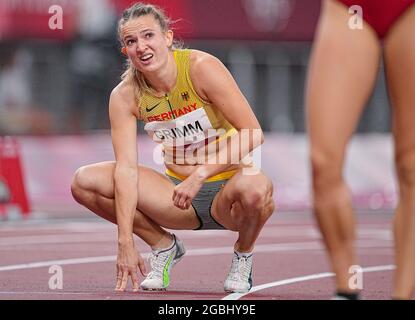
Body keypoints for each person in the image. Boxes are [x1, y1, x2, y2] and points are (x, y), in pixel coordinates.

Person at [71, 2, 275, 293]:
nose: (141, 46)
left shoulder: (201, 68)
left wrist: (200, 175)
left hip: (229, 195)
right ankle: (163, 245)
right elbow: (126, 170)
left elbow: (253, 132)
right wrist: (125, 241)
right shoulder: (125, 96)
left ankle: (243, 253)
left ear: (167, 37)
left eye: (148, 36)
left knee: (257, 187)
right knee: (84, 182)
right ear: (125, 51)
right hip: (177, 200)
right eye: (131, 41)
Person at [307, 0, 415, 299]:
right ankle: (348, 289)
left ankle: (403, 294)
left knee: (411, 165)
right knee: (323, 163)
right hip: (350, 8)